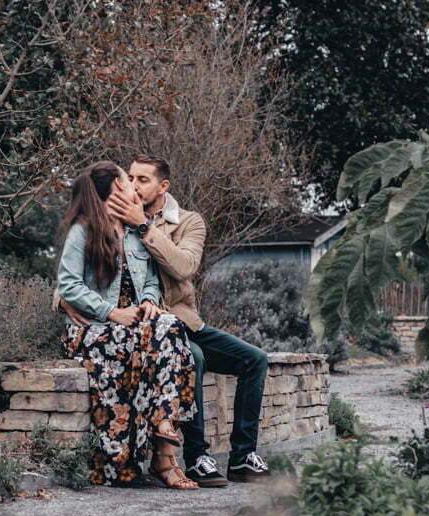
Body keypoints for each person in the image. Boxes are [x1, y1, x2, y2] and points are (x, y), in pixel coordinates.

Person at [62, 156, 270, 485]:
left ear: (163, 186)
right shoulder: (108, 223)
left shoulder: (185, 222)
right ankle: (196, 455)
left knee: (254, 359)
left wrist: (144, 225)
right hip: (141, 327)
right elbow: (74, 276)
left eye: (142, 179)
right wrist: (63, 299)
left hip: (179, 320)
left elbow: (184, 266)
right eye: (130, 178)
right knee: (194, 357)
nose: (134, 184)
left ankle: (243, 456)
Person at [56, 160, 199, 490]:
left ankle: (165, 420)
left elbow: (150, 278)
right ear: (115, 190)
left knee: (169, 325)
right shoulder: (84, 230)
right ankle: (120, 462)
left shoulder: (136, 233)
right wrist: (111, 312)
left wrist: (149, 301)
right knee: (129, 342)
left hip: (132, 325)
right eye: (126, 181)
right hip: (91, 329)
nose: (133, 187)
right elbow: (68, 284)